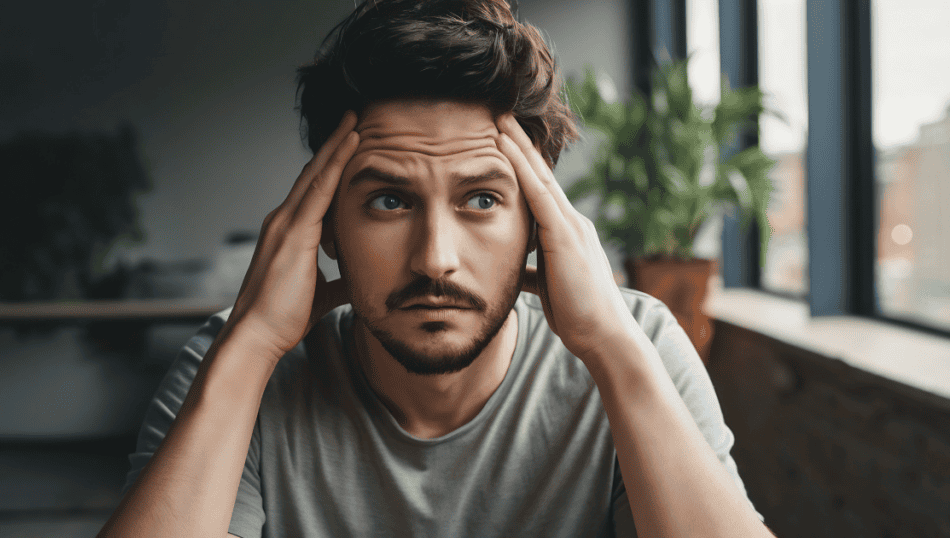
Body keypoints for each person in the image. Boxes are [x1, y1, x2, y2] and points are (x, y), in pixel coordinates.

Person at [98, 1, 774, 536]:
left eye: (481, 200)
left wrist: (612, 349)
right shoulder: (233, 361)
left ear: (539, 223)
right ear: (324, 224)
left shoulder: (637, 342)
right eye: (389, 201)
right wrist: (250, 346)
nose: (435, 259)